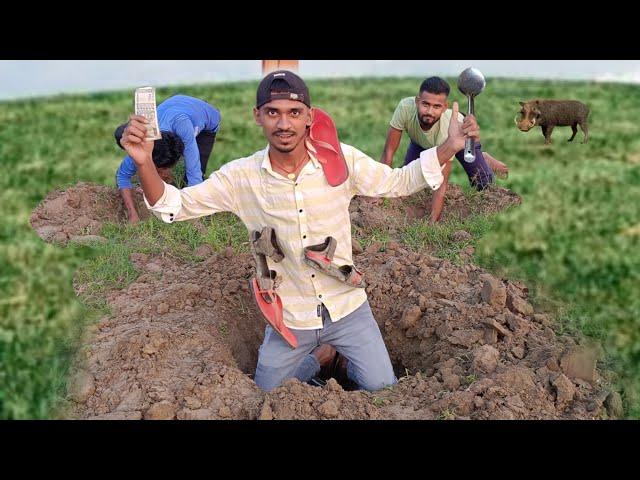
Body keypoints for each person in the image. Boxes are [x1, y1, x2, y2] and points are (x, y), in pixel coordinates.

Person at [119, 70, 480, 392]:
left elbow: (400, 181)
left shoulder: (341, 160)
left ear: (309, 117)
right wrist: (145, 162)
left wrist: (449, 146)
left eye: (294, 113)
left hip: (347, 308)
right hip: (288, 317)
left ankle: (340, 353)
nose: (284, 124)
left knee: (383, 389)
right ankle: (320, 358)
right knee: (265, 396)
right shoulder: (241, 178)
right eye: (273, 112)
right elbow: (174, 206)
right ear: (257, 116)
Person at [380, 77, 508, 223]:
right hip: (421, 143)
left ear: (444, 107)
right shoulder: (405, 108)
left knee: (484, 183)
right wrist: (378, 191)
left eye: (436, 107)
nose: (429, 111)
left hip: (458, 140)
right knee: (409, 179)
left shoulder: (447, 129)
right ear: (417, 101)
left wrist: (433, 221)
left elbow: (441, 183)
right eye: (425, 104)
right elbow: (388, 152)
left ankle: (481, 157)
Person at [114, 94, 221, 223]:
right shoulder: (145, 143)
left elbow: (195, 175)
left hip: (207, 120)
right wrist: (133, 214)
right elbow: (122, 176)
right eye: (158, 170)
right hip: (172, 107)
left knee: (196, 171)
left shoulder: (184, 128)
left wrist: (195, 218)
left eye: (162, 170)